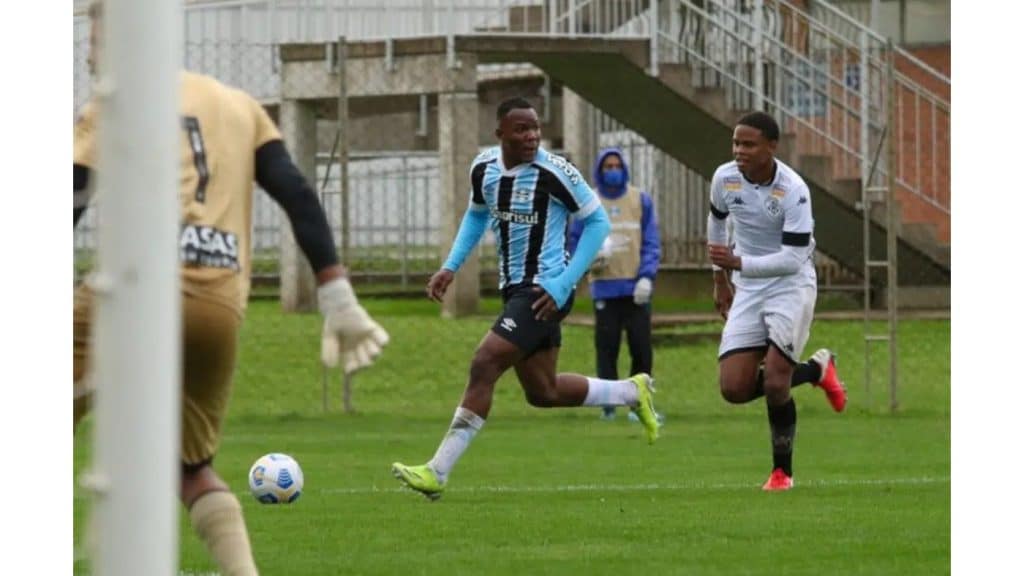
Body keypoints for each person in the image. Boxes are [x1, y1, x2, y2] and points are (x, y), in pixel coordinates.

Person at [73, 3, 389, 573]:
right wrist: (337, 295)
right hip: (217, 302)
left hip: (135, 291)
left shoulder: (112, 100)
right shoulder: (238, 105)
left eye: (94, 35)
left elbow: (69, 198)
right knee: (191, 470)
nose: (91, 50)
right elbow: (296, 192)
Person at [390, 98, 660, 500]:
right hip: (513, 288)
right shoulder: (483, 168)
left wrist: (565, 283)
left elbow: (597, 222)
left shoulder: (554, 172)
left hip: (544, 290)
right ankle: (629, 392)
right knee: (543, 392)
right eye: (521, 129)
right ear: (500, 134)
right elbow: (477, 214)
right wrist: (451, 265)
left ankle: (437, 472)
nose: (531, 135)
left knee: (484, 362)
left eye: (535, 127)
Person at [706, 111, 847, 492]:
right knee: (733, 388)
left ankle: (782, 473)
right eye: (736, 143)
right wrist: (720, 279)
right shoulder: (724, 178)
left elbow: (792, 257)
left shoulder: (794, 190)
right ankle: (817, 371)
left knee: (775, 384)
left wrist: (738, 263)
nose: (740, 151)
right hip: (748, 285)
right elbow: (717, 222)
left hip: (790, 284)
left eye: (749, 144)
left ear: (772, 147)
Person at [568, 148, 661, 421]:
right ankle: (608, 405)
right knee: (607, 349)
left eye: (616, 165)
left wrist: (647, 276)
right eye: (607, 166)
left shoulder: (639, 199)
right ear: (599, 169)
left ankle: (640, 405)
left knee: (641, 348)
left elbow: (651, 242)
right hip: (604, 288)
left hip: (636, 290)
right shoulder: (589, 202)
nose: (612, 170)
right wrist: (588, 258)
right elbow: (574, 241)